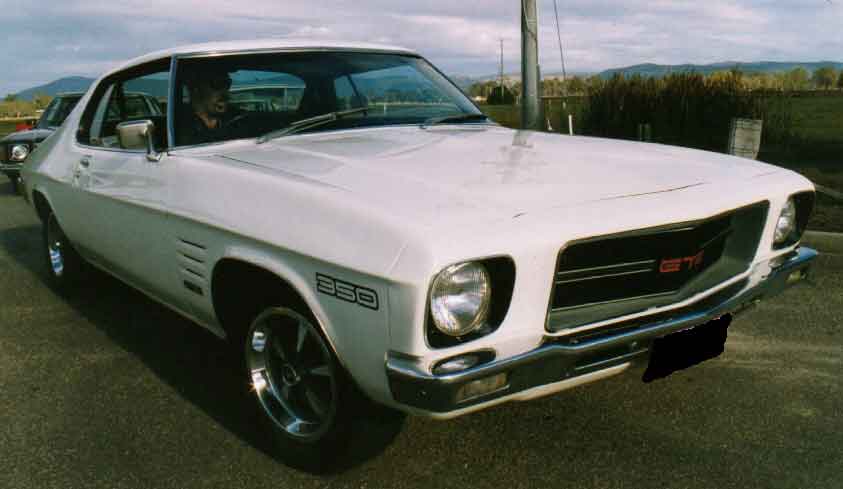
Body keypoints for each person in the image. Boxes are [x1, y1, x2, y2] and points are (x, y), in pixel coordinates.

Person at [179, 68, 241, 145]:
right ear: (196, 89)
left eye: (227, 84)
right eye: (217, 84)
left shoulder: (237, 118)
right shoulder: (179, 126)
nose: (226, 94)